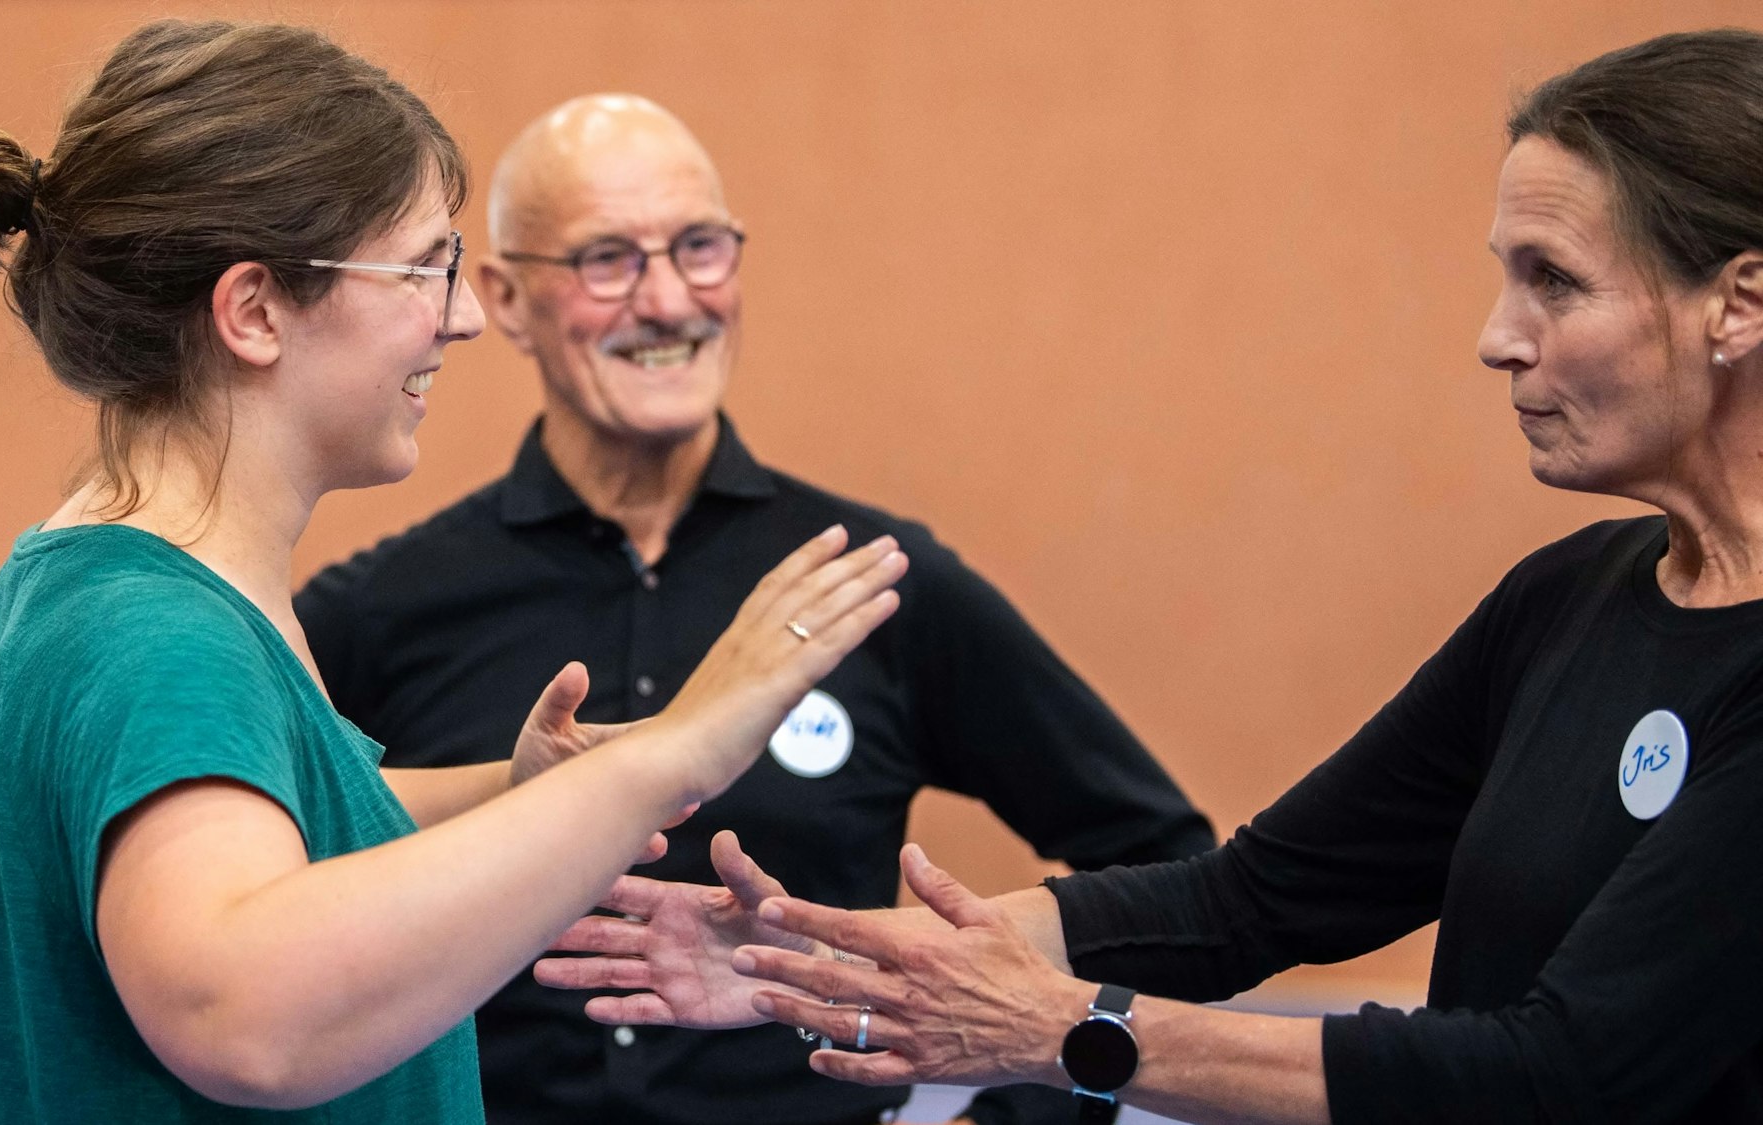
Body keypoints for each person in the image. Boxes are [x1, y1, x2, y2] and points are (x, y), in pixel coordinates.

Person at [538, 28, 1763, 1124]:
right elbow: (1246, 900)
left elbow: (1567, 1076)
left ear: (1737, 304)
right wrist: (817, 957)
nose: (1496, 336)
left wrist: (1071, 1034)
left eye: (1552, 279)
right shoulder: (1562, 602)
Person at [0, 20, 907, 1124]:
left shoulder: (94, 580)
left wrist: (525, 792)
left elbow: (281, 830)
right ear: (253, 312)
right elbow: (241, 1013)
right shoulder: (159, 636)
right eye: (424, 269)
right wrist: (677, 748)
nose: (467, 317)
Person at [293, 94, 1214, 1125]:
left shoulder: (865, 584)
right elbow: (262, 908)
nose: (668, 301)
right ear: (503, 299)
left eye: (698, 248)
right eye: (607, 259)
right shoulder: (381, 608)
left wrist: (1017, 1113)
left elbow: (1172, 872)